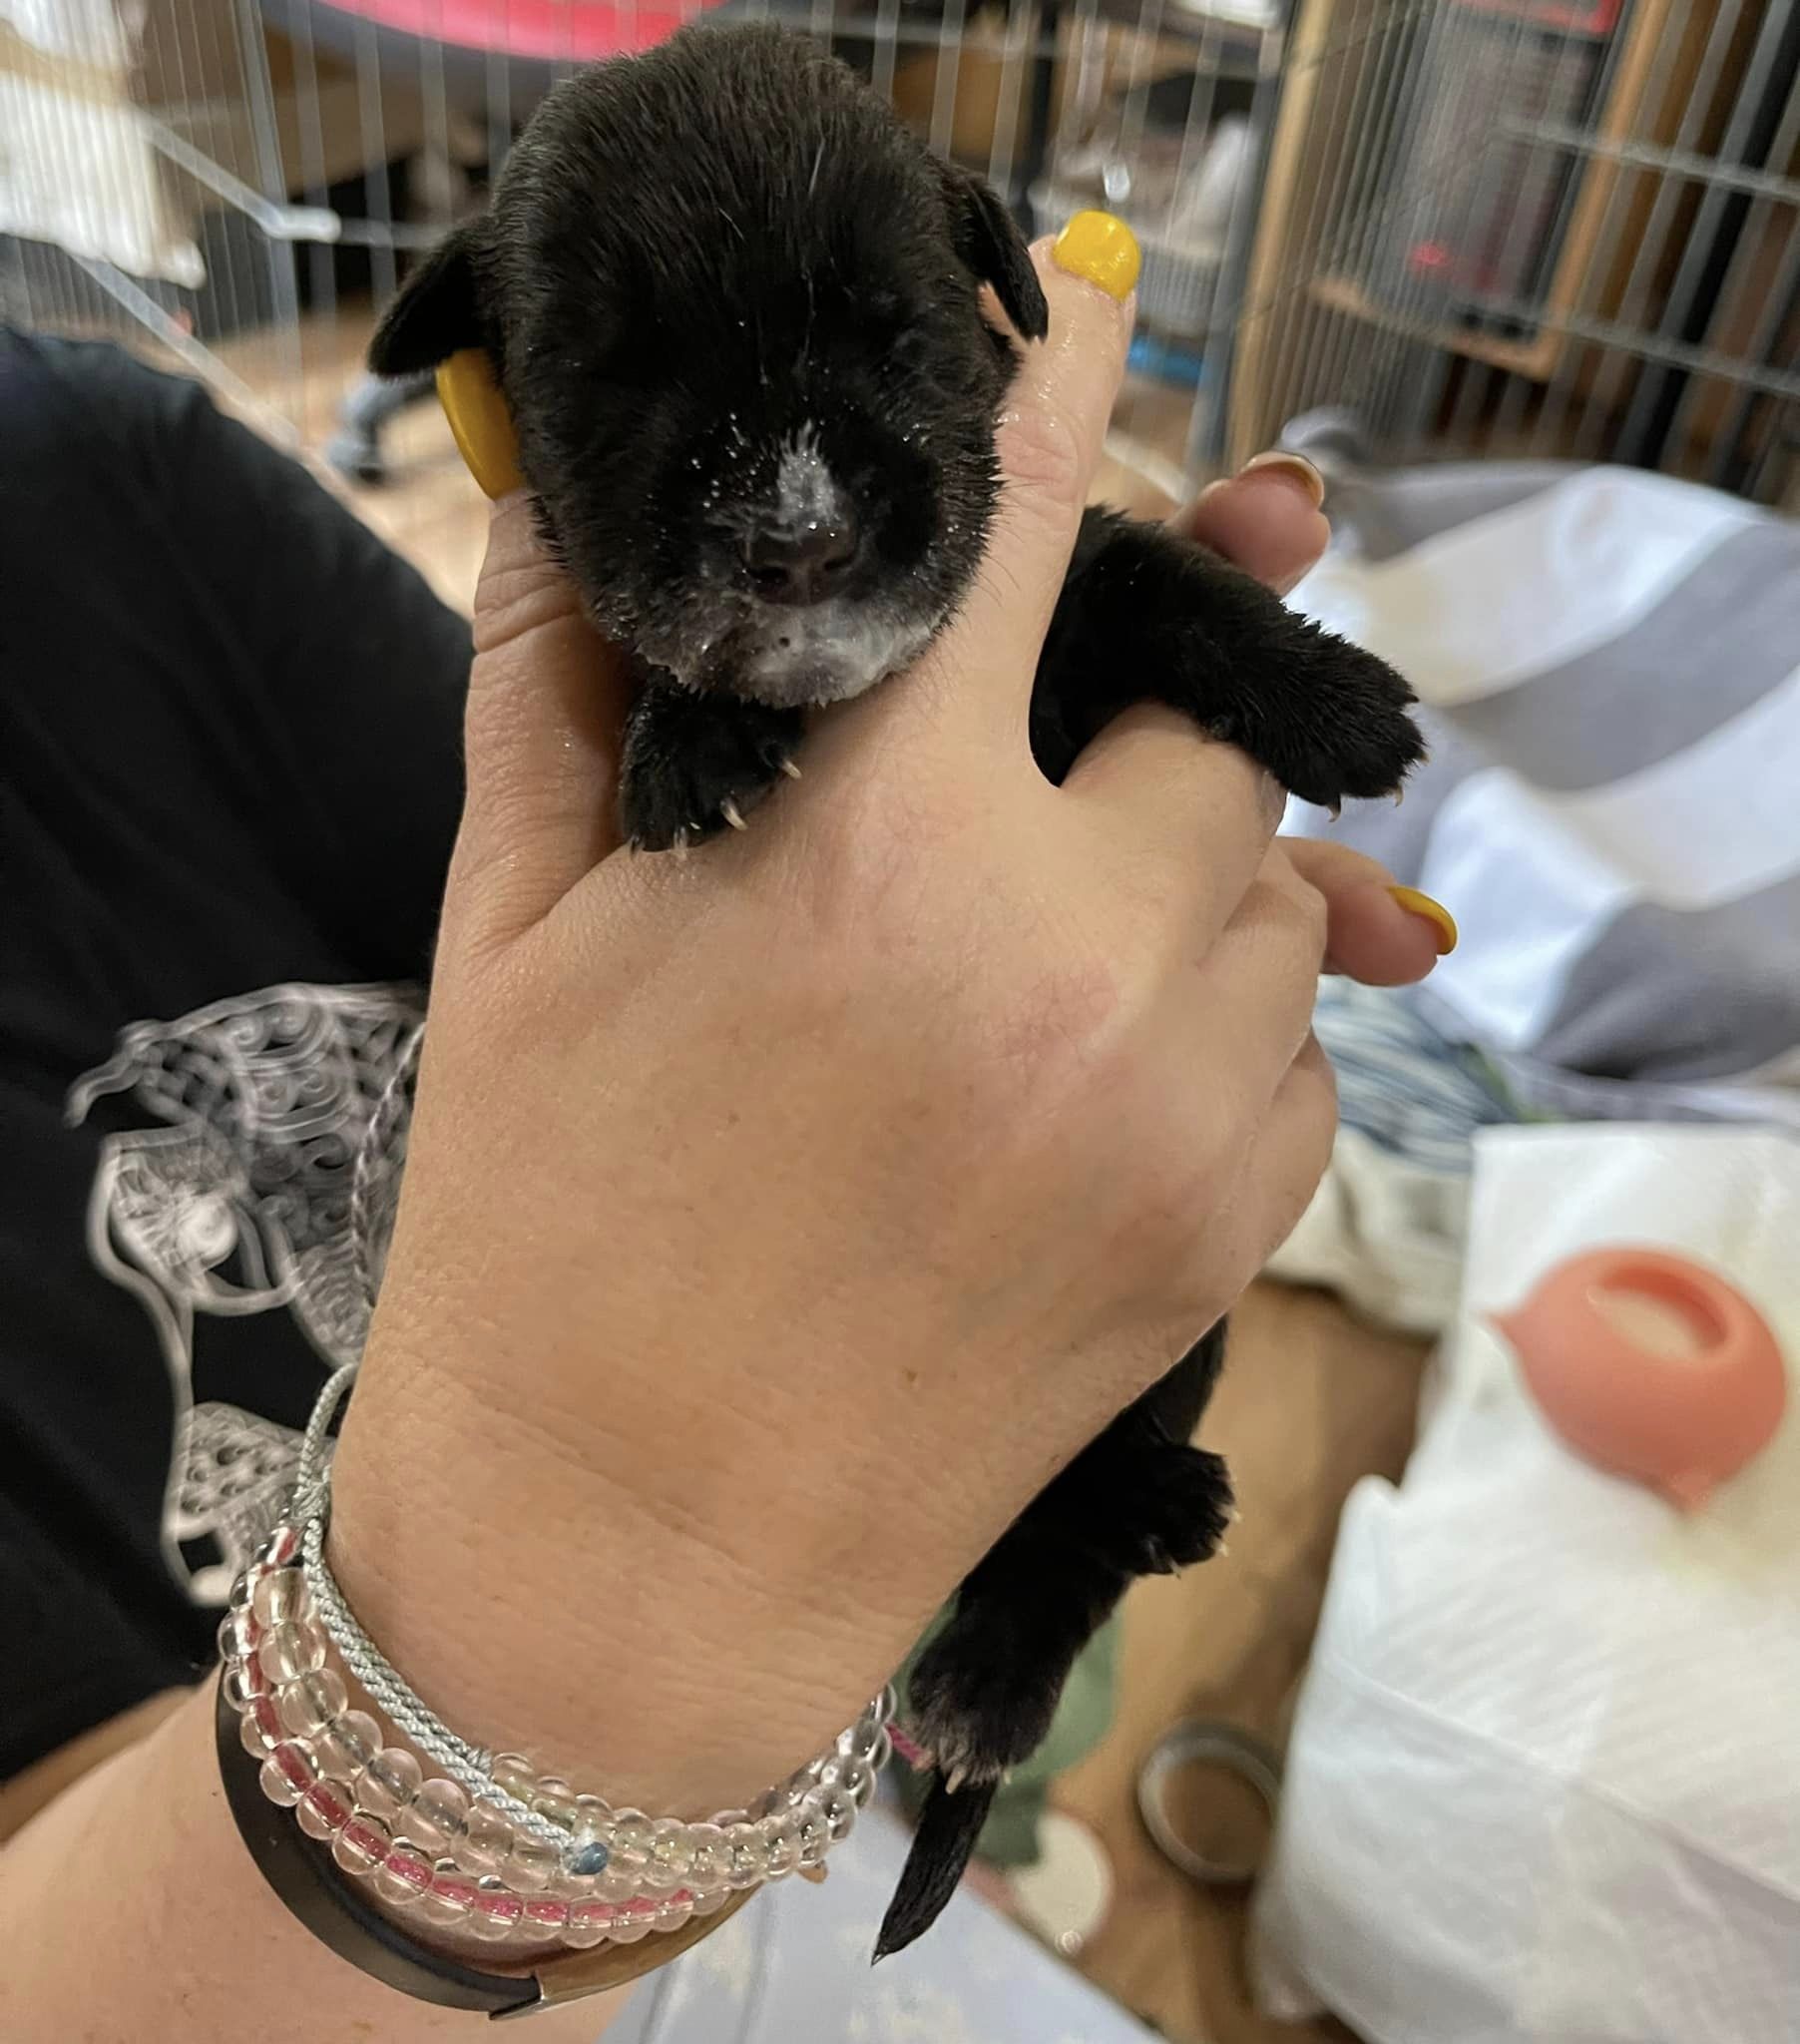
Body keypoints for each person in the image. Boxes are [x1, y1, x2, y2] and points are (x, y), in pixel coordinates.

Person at [0, 230, 1450, 2040]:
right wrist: (649, 1553)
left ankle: (961, 1764)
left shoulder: (81, 487)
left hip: (844, 1634)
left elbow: (635, 869)